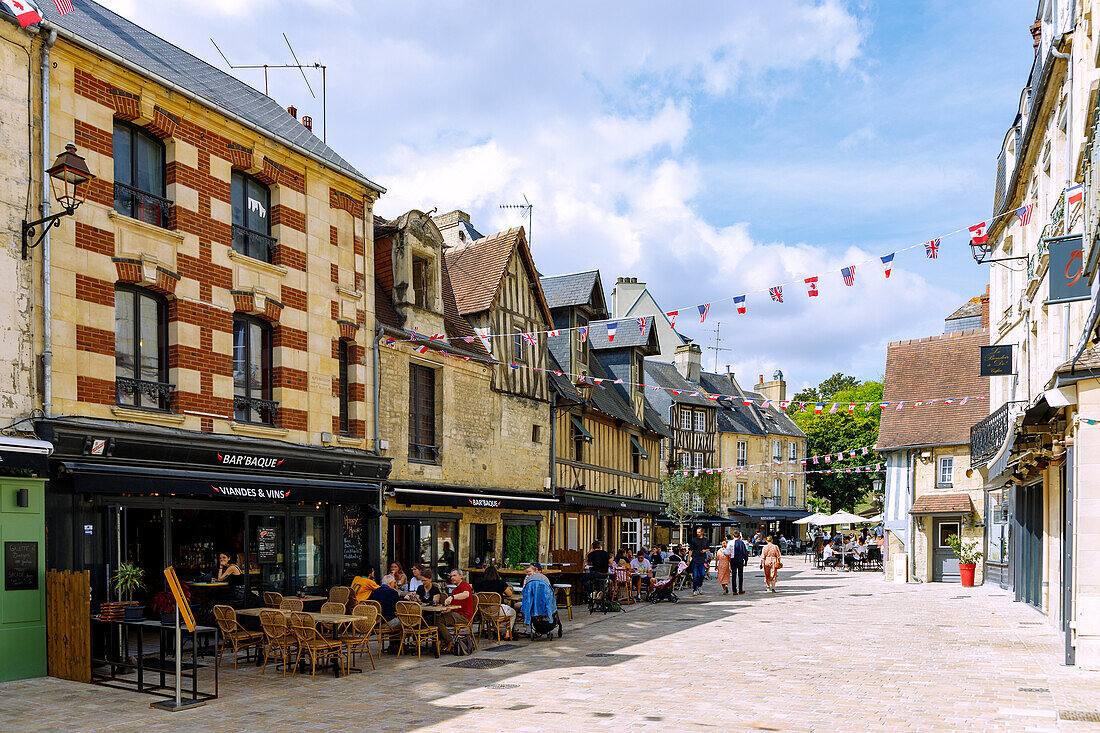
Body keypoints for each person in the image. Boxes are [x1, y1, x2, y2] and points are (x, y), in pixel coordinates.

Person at [473, 565, 517, 640]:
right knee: (513, 613)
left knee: (493, 611)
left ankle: (495, 630)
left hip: (484, 612)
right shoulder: (500, 583)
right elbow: (509, 594)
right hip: (498, 611)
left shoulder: (480, 583)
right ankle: (508, 633)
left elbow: (471, 587)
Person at [436, 569, 475, 650]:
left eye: (454, 575)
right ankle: (444, 640)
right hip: (456, 614)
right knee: (434, 619)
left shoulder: (465, 585)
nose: (452, 578)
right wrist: (447, 610)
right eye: (451, 576)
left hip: (464, 616)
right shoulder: (454, 590)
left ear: (461, 576)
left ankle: (449, 641)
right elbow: (454, 606)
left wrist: (452, 597)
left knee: (438, 620)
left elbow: (466, 594)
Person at [370, 574, 402, 651]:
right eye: (394, 583)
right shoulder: (392, 592)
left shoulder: (375, 592)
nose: (394, 585)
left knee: (394, 619)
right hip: (386, 623)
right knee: (403, 621)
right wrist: (406, 599)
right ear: (390, 583)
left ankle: (394, 646)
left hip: (374, 623)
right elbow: (399, 605)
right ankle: (398, 646)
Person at [689, 528, 710, 596]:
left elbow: (708, 548)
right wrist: (688, 560)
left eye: (698, 532)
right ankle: (695, 590)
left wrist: (705, 551)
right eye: (697, 532)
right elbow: (691, 550)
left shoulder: (706, 540)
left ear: (702, 532)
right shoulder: (694, 540)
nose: (697, 533)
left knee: (702, 575)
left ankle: (700, 586)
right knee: (695, 576)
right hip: (695, 560)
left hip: (702, 560)